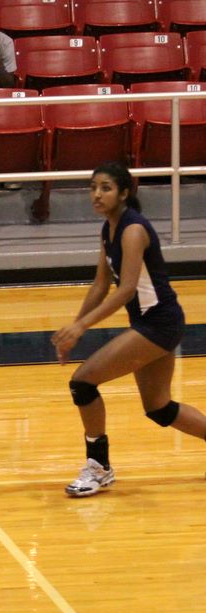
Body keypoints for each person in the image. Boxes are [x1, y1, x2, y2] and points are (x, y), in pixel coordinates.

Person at [51, 162, 206, 497]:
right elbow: (100, 285)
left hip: (159, 323)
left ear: (124, 193)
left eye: (105, 188)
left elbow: (126, 290)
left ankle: (99, 468)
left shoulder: (133, 230)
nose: (96, 194)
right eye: (93, 187)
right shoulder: (108, 229)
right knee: (159, 408)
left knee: (82, 382)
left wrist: (81, 327)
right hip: (154, 323)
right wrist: (75, 326)